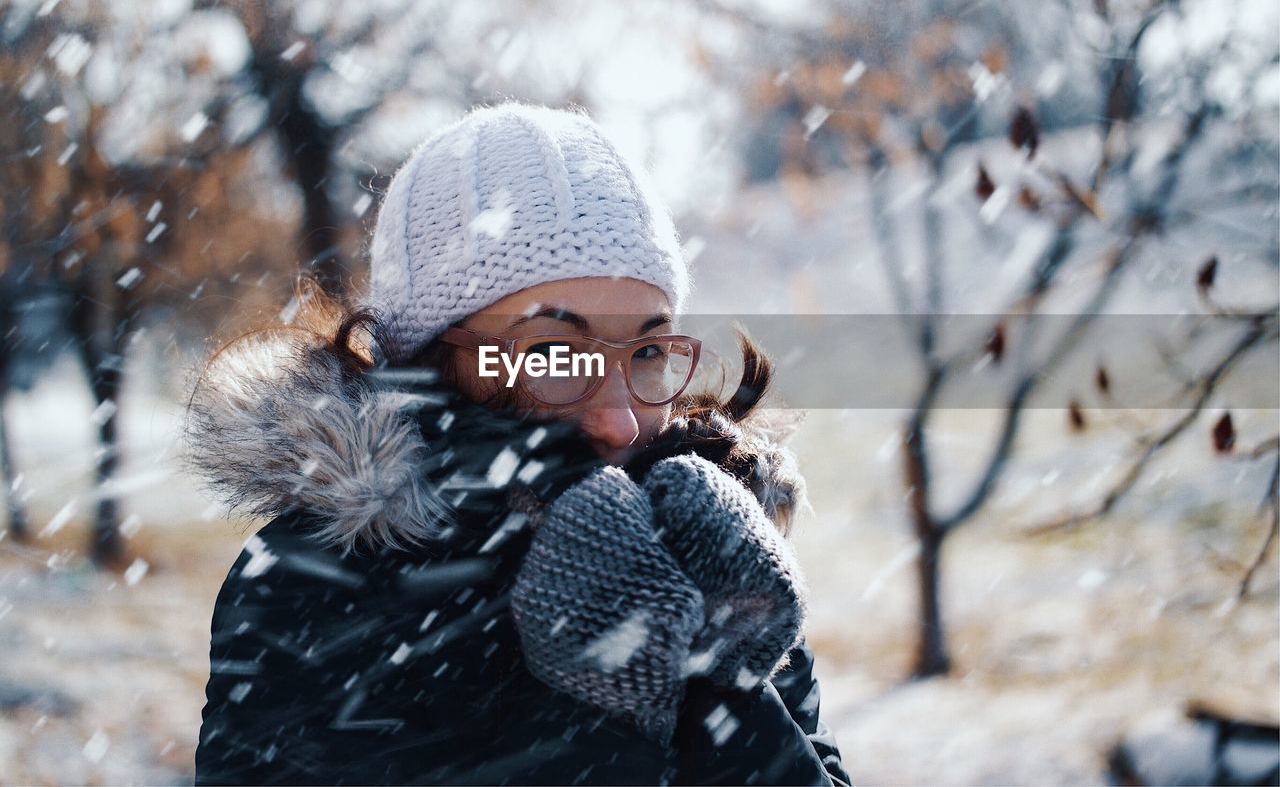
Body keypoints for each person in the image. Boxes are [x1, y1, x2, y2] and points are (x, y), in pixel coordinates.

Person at [187, 102, 851, 785]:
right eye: (553, 353)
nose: (619, 421)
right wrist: (597, 704)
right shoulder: (317, 583)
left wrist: (716, 681)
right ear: (432, 362)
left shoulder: (707, 544)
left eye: (648, 350)